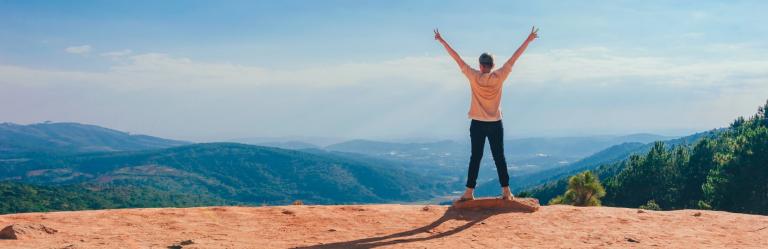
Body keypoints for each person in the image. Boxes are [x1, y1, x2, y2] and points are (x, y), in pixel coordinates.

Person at [434, 27, 539, 201]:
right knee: (499, 157)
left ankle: (469, 192)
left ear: (480, 65)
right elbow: (515, 57)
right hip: (496, 123)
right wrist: (528, 39)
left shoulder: (473, 76)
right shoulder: (500, 76)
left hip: (477, 123)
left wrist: (442, 40)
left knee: (475, 157)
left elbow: (456, 58)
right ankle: (506, 191)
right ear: (492, 66)